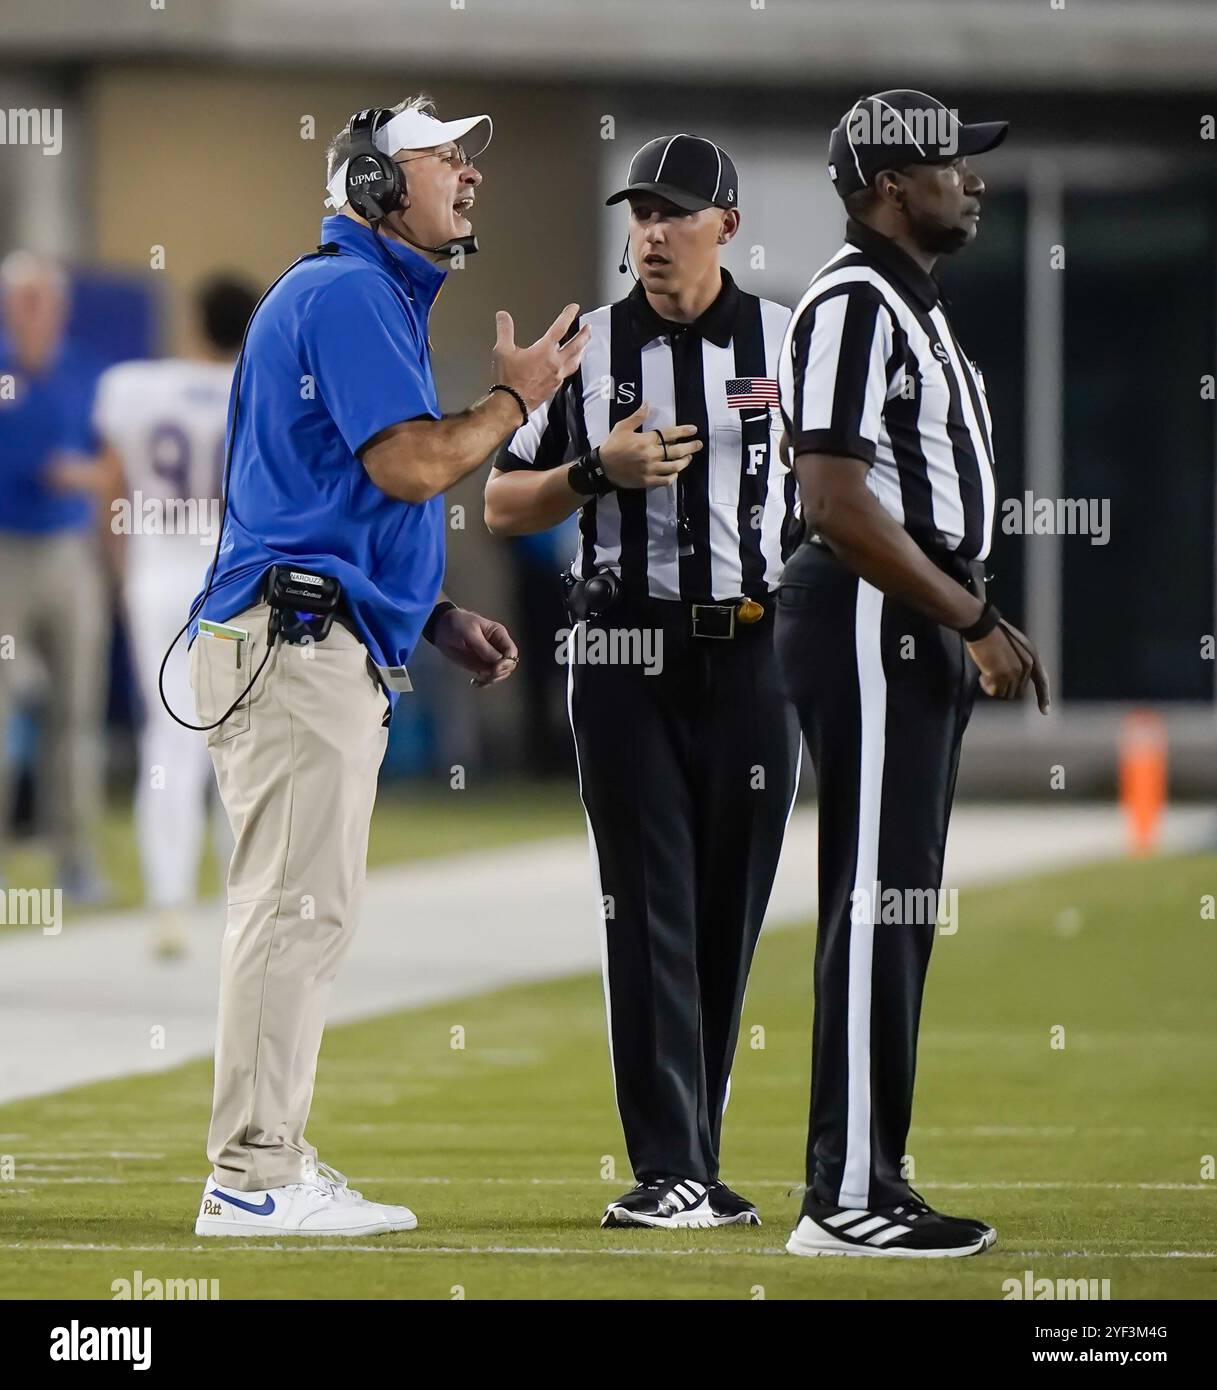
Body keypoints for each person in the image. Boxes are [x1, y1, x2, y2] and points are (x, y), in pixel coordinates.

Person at [187, 95, 589, 1239]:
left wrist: (429, 612)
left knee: (305, 910)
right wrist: (517, 398)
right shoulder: (355, 292)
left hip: (313, 628)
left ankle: (270, 1156)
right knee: (292, 911)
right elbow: (412, 466)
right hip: (292, 643)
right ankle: (251, 1175)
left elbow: (331, 500)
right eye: (442, 158)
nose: (468, 175)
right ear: (373, 186)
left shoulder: (358, 293)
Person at [485, 134, 802, 1229]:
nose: (652, 233)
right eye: (639, 213)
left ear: (727, 224)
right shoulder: (588, 342)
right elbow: (498, 501)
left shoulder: (786, 339)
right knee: (649, 907)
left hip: (755, 652)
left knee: (727, 915)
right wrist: (594, 471)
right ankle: (667, 1166)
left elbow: (839, 487)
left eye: (675, 213)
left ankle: (692, 1161)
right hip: (623, 650)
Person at [775, 91, 1049, 1259]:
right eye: (948, 163)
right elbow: (832, 504)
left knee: (897, 901)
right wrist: (970, 614)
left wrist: (962, 611)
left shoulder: (907, 307)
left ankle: (868, 1167)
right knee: (877, 898)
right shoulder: (852, 301)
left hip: (905, 611)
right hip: (871, 612)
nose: (970, 181)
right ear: (889, 185)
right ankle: (843, 1198)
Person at [94, 275, 258, 957]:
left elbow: (110, 490)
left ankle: (167, 905)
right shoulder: (260, 391)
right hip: (228, 583)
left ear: (194, 321)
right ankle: (238, 902)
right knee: (238, 738)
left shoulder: (136, 387)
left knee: (168, 741)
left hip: (157, 579)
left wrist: (122, 576)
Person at [0, 251, 111, 903]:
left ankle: (75, 860)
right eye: (24, 298)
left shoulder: (85, 374)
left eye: (44, 298)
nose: (35, 309)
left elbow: (110, 465)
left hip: (68, 550)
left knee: (76, 710)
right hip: (6, 548)